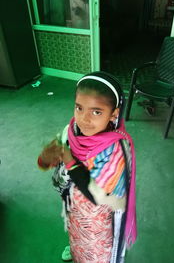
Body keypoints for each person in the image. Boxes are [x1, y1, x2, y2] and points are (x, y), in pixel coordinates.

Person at [37, 71, 137, 263]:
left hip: (97, 220)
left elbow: (98, 196)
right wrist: (45, 157)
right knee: (76, 239)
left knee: (94, 253)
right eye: (79, 108)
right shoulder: (71, 130)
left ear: (113, 114)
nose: (85, 119)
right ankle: (76, 252)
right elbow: (48, 161)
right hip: (74, 209)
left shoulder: (114, 150)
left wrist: (68, 158)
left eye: (96, 111)